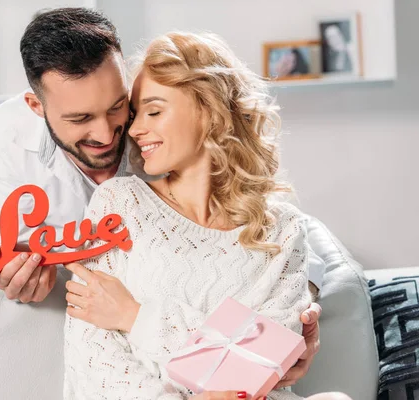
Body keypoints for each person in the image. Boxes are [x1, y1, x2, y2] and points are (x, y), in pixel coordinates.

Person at [0, 7, 324, 389]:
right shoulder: (10, 143)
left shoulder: (279, 224)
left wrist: (293, 328)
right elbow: (92, 351)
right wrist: (22, 279)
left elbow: (259, 357)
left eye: (118, 109)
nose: (114, 134)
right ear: (36, 107)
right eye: (80, 119)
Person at [63, 31, 351, 400]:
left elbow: (256, 368)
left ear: (209, 110)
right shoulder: (118, 204)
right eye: (135, 115)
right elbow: (92, 355)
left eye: (153, 111)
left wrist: (136, 317)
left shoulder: (282, 228)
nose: (134, 130)